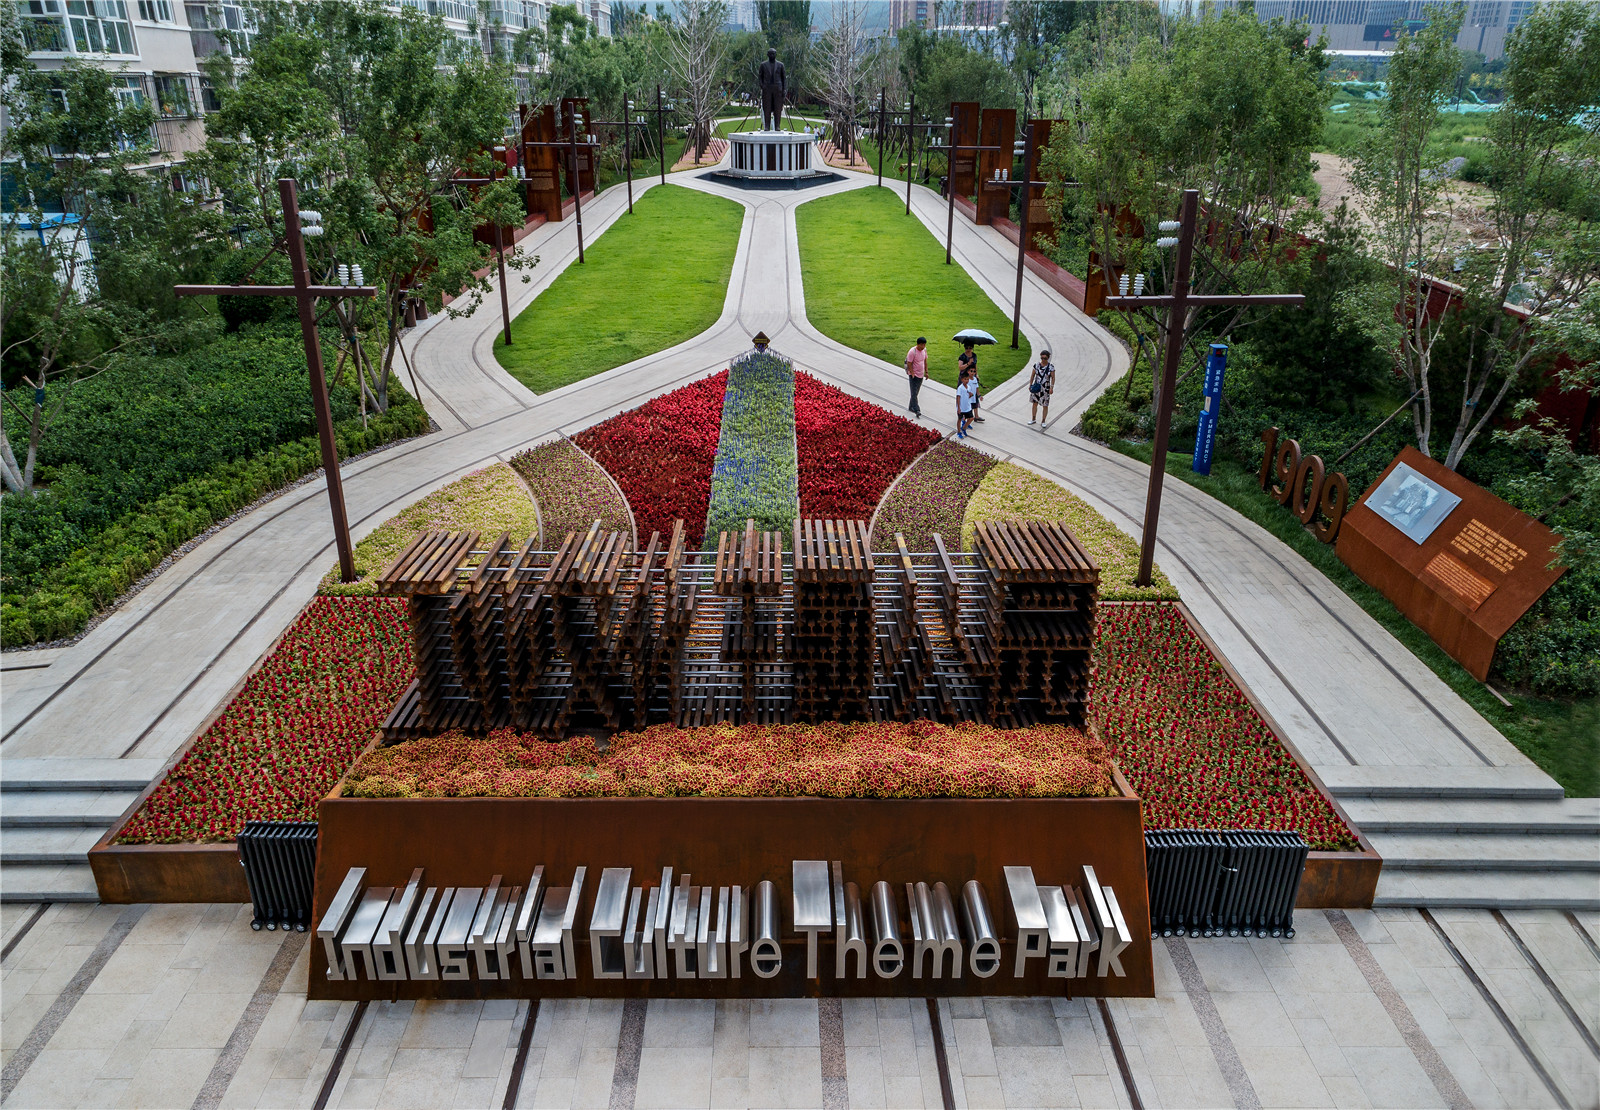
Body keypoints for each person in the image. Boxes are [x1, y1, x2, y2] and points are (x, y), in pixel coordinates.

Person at [1027, 350, 1055, 427]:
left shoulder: (1051, 367)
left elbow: (1053, 378)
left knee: (1045, 405)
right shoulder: (1036, 365)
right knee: (1034, 403)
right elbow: (1032, 375)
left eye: (1045, 358)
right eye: (1042, 358)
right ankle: (1033, 418)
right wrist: (1030, 385)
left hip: (1045, 389)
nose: (1043, 360)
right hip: (1037, 387)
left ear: (1048, 358)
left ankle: (1043, 420)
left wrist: (1051, 387)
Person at [957, 341, 984, 422]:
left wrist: (976, 374)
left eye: (970, 348)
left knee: (974, 395)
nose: (968, 349)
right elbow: (960, 367)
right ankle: (964, 415)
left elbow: (975, 366)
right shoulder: (962, 356)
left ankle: (976, 415)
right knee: (965, 396)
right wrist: (968, 363)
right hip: (965, 379)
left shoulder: (974, 356)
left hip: (972, 378)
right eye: (967, 348)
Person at [904, 336, 928, 417]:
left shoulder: (924, 350)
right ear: (918, 344)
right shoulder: (912, 352)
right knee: (914, 393)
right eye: (922, 345)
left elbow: (925, 361)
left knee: (916, 392)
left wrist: (926, 372)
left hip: (921, 375)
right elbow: (909, 363)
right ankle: (917, 409)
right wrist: (912, 373)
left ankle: (911, 406)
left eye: (924, 345)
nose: (923, 346)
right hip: (913, 375)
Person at [956, 368, 976, 438]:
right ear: (962, 380)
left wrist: (970, 395)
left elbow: (968, 396)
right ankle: (959, 432)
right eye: (965, 379)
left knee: (971, 418)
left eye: (967, 379)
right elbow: (958, 397)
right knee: (959, 420)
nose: (966, 381)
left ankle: (964, 428)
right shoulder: (960, 388)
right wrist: (958, 408)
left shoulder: (969, 387)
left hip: (967, 406)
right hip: (961, 408)